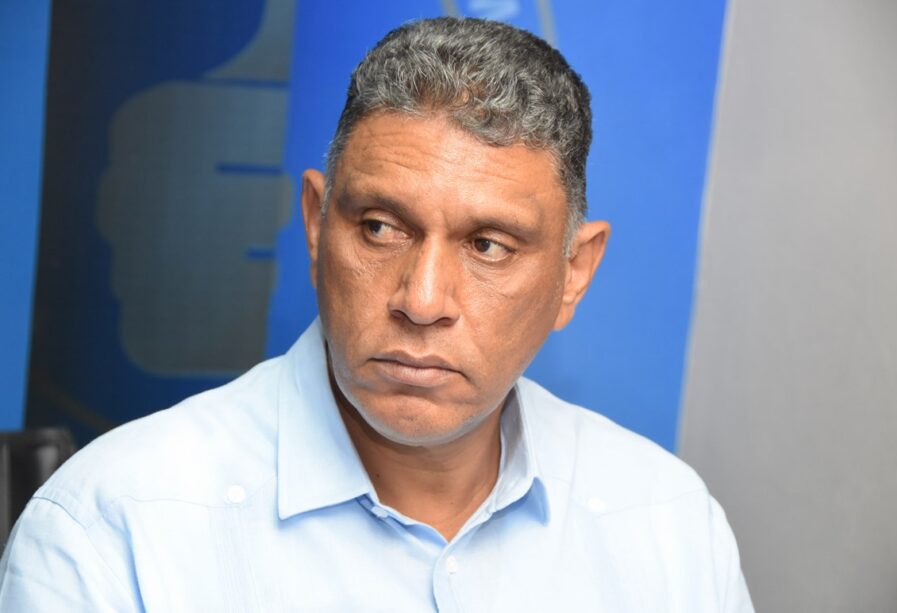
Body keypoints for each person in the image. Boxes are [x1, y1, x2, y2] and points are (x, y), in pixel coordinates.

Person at [0, 17, 754, 612]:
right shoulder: (113, 526)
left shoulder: (666, 521)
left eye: (488, 245)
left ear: (573, 274)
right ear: (314, 224)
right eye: (380, 227)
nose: (421, 301)